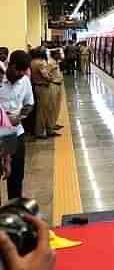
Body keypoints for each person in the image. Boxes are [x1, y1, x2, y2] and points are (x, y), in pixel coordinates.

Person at [0, 51, 34, 199]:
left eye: (24, 70)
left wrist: (19, 118)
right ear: (11, 65)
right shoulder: (0, 79)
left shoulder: (25, 81)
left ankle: (14, 212)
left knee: (16, 177)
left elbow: (29, 104)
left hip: (16, 134)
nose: (21, 73)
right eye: (19, 70)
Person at [30, 49, 57, 140]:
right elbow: (46, 76)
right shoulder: (40, 63)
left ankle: (48, 129)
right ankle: (40, 132)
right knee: (43, 110)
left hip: (37, 86)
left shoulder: (32, 62)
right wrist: (51, 77)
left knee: (43, 109)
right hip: (43, 87)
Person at [48, 50, 63, 131]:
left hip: (58, 85)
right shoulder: (50, 63)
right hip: (53, 85)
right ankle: (51, 125)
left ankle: (54, 123)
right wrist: (51, 80)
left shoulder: (56, 62)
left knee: (57, 106)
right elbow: (47, 73)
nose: (60, 55)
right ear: (54, 55)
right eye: (58, 54)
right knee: (52, 107)